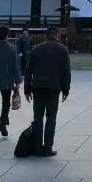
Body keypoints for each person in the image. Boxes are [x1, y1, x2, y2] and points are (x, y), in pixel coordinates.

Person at [24, 25, 72, 157]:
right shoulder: (62, 50)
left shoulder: (36, 49)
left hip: (38, 87)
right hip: (53, 87)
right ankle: (48, 147)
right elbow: (66, 72)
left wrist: (27, 90)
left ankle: (38, 147)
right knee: (51, 118)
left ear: (46, 35)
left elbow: (28, 72)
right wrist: (66, 89)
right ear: (56, 35)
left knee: (38, 117)